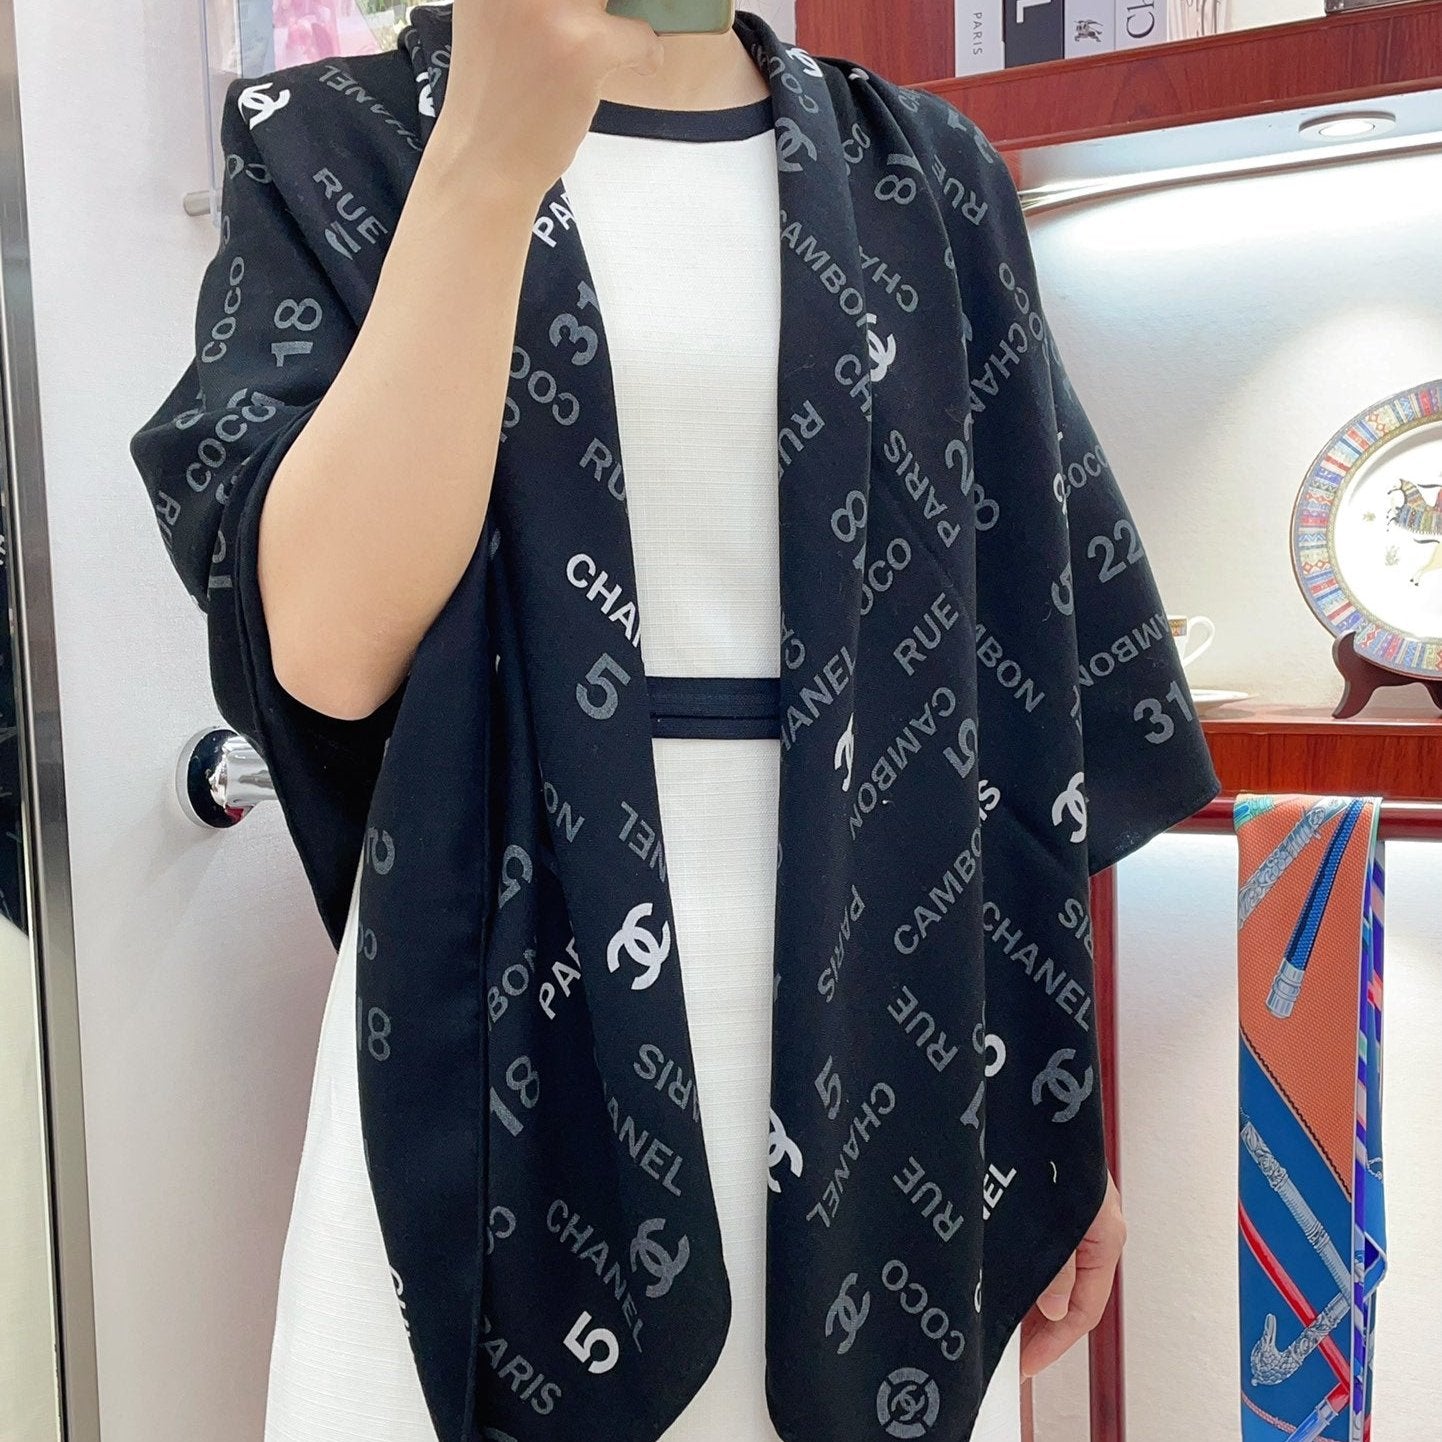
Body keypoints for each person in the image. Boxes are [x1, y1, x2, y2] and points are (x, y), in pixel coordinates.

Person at [134, 4, 1150, 1439]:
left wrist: (1059, 1108)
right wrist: (489, 160)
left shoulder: (926, 171)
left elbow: (1027, 696)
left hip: (899, 1037)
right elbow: (326, 651)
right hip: (494, 1026)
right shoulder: (335, 145)